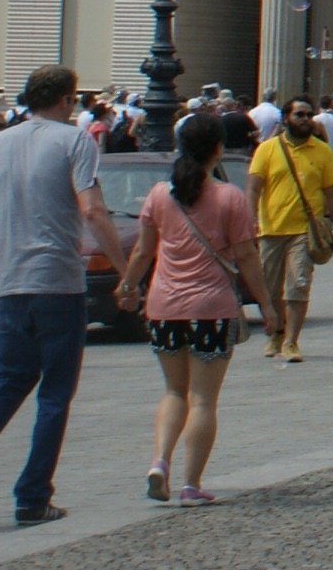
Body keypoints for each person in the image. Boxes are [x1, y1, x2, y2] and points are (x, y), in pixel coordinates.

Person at [0, 67, 117, 525]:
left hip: (11, 284)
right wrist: (127, 270)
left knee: (7, 379)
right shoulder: (75, 141)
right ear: (66, 100)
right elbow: (92, 209)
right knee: (54, 393)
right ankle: (31, 494)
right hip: (59, 282)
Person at [111, 110, 274, 509]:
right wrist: (268, 305)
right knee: (203, 399)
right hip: (211, 308)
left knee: (173, 391)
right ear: (218, 150)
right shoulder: (229, 197)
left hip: (163, 306)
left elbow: (145, 251)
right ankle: (191, 483)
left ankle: (160, 461)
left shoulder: (158, 195)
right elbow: (248, 257)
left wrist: (127, 285)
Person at [247, 97, 333, 362]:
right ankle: (277, 332)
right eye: (299, 114)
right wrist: (249, 220)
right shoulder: (267, 150)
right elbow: (254, 187)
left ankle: (291, 341)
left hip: (304, 231)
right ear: (286, 118)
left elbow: (332, 193)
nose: (305, 119)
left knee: (298, 284)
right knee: (269, 286)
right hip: (270, 229)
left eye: (309, 114)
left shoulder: (321, 151)